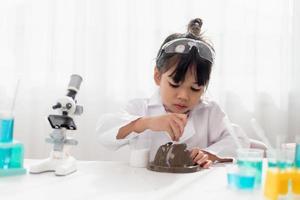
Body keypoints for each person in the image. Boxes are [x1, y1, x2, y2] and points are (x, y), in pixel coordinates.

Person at [96, 18, 248, 168]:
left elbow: (239, 140)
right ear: (158, 76)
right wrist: (147, 122)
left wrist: (210, 153)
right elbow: (104, 133)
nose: (183, 96)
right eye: (175, 84)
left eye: (195, 88)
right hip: (146, 186)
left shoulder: (209, 111)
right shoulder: (140, 108)